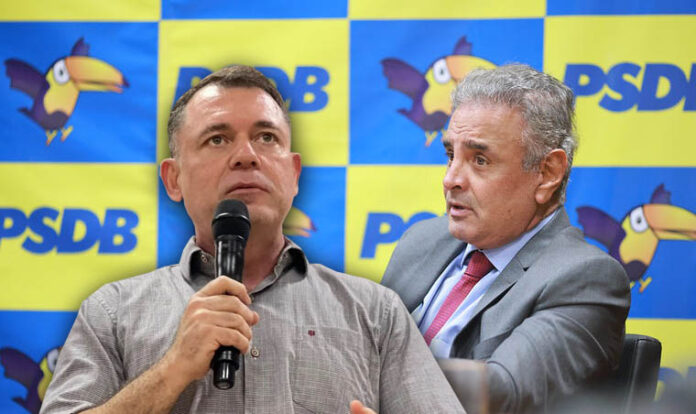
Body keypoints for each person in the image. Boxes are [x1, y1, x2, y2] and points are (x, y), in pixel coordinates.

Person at [41, 65, 464, 414]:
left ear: (293, 174)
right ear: (173, 179)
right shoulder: (112, 313)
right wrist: (172, 369)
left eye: (266, 138)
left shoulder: (375, 313)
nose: (247, 155)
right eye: (217, 139)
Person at [381, 64, 631, 413]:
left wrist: (369, 370)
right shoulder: (421, 241)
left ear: (547, 173)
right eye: (451, 155)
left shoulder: (586, 278)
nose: (450, 179)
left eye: (480, 160)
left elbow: (503, 391)